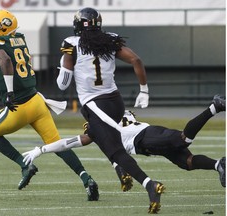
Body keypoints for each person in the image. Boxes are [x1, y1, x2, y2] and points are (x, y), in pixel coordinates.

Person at [29, 7, 163, 214]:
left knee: (116, 150)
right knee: (92, 136)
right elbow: (136, 60)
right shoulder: (110, 39)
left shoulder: (72, 44)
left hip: (94, 104)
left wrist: (64, 66)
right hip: (115, 102)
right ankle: (117, 168)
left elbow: (63, 84)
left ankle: (149, 185)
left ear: (77, 24)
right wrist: (143, 90)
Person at [0, 9, 99, 201]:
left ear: (5, 26)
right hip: (37, 102)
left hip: (19, 107)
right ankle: (87, 179)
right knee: (57, 144)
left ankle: (24, 165)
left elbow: (6, 60)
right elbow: (6, 67)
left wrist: (9, 93)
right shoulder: (19, 39)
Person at [23, 95, 226, 189]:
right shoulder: (116, 109)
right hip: (146, 137)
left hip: (144, 137)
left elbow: (68, 143)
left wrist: (41, 149)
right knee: (187, 162)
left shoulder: (97, 125)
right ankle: (219, 164)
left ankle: (214, 108)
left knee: (184, 139)